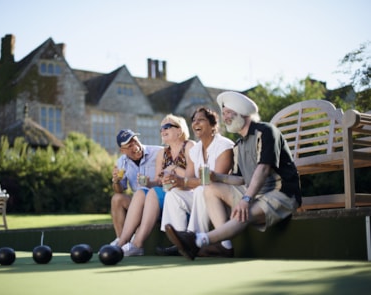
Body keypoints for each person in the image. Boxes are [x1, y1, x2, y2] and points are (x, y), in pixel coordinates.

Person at [164, 91, 302, 260]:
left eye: (229, 112)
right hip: (254, 193)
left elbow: (264, 169)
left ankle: (198, 240)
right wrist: (217, 177)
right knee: (209, 188)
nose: (226, 117)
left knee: (244, 213)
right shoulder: (238, 145)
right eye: (224, 114)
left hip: (281, 193)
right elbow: (239, 180)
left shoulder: (266, 131)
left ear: (243, 112)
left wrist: (245, 199)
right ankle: (224, 246)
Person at [158, 107, 234, 257]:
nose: (196, 123)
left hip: (222, 199)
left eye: (201, 119)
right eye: (193, 120)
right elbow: (189, 178)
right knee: (173, 194)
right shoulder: (196, 150)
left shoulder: (225, 145)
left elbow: (216, 180)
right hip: (202, 196)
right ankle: (180, 242)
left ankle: (191, 239)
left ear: (213, 125)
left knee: (202, 189)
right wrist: (177, 182)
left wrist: (183, 181)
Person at [117, 115, 195, 256]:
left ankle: (137, 243)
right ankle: (121, 242)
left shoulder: (190, 146)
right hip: (167, 195)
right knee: (141, 192)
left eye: (167, 127)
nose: (162, 130)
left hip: (186, 193)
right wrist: (148, 182)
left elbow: (192, 179)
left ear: (179, 130)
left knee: (152, 193)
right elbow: (158, 181)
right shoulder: (162, 153)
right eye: (161, 128)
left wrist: (174, 168)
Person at [110, 129, 162, 246]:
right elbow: (119, 190)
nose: (135, 147)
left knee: (141, 195)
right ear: (122, 151)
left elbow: (169, 181)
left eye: (135, 141)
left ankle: (132, 242)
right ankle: (121, 240)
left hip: (158, 203)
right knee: (117, 198)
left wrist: (151, 183)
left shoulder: (159, 152)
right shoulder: (121, 162)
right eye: (129, 146)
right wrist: (116, 181)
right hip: (138, 205)